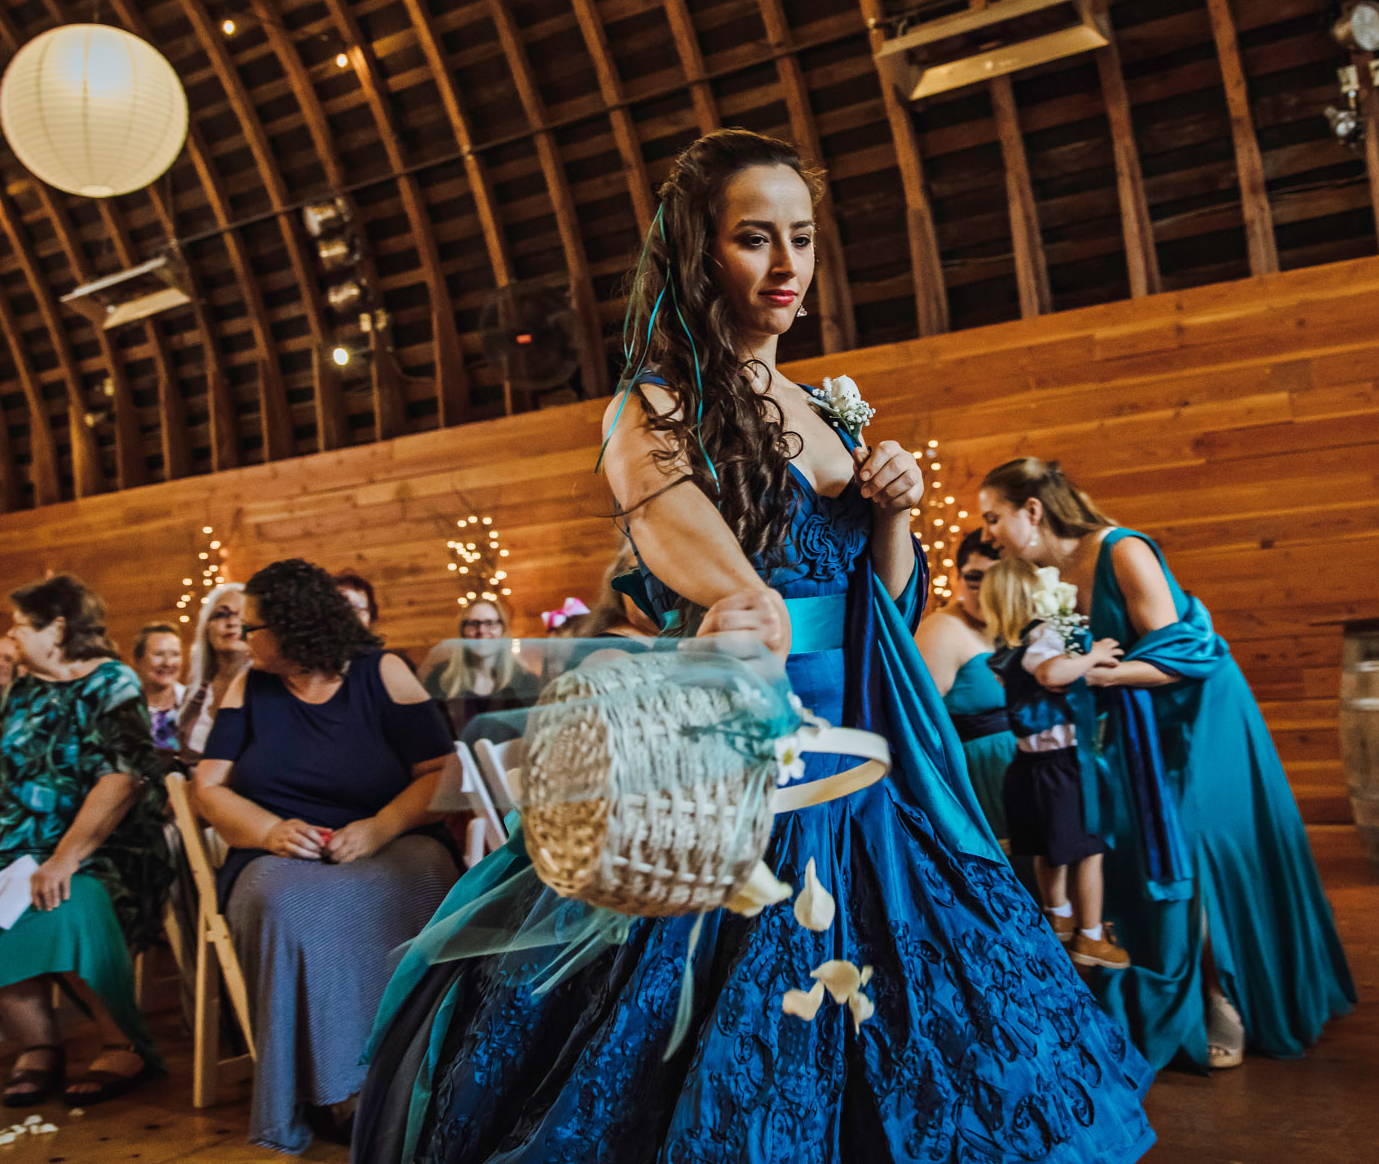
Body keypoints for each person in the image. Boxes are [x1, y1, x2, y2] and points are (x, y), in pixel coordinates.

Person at [353, 129, 1154, 1164]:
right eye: (755, 240)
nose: (787, 268)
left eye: (803, 240)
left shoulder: (829, 410)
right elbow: (678, 530)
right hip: (738, 748)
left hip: (865, 744)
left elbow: (887, 607)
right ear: (701, 252)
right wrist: (740, 598)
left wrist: (896, 512)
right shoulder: (653, 408)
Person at [979, 456, 1355, 1072]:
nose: (990, 534)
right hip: (1131, 720)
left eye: (994, 518)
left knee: (1195, 846)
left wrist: (1093, 675)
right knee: (1138, 847)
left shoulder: (1122, 550)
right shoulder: (1047, 572)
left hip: (1194, 712)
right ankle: (1160, 983)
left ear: (1033, 511)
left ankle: (1223, 996)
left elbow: (1183, 653)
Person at [192, 559, 460, 1152]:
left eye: (253, 625)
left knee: (415, 886)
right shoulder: (249, 685)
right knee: (291, 908)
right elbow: (208, 786)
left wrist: (379, 827)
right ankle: (336, 1091)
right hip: (281, 849)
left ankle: (422, 1070)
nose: (243, 636)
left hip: (392, 840)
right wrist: (266, 830)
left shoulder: (382, 672)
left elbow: (440, 773)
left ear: (295, 626)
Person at [0, 574, 174, 1106]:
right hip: (17, 844)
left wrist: (63, 859)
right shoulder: (23, 689)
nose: (11, 634)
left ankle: (123, 1043)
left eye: (20, 625)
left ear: (57, 628)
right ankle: (39, 1043)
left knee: (65, 902)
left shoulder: (111, 682)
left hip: (102, 847)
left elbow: (123, 777)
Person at [978, 557, 1130, 970]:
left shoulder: (1008, 648)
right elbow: (1053, 674)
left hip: (1031, 767)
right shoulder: (1042, 637)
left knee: (1051, 849)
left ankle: (1058, 913)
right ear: (1033, 596)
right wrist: (1093, 655)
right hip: (1063, 767)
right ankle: (1091, 936)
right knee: (1089, 851)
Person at [912, 529, 1009, 837]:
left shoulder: (1011, 627)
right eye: (974, 578)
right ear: (957, 576)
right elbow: (918, 724)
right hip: (980, 784)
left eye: (996, 581)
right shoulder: (943, 630)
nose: (984, 591)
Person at [421, 598, 539, 738]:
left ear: (502, 630)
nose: (482, 631)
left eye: (490, 624)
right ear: (463, 632)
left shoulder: (525, 681)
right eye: (473, 624)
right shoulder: (441, 678)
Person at [175, 583, 248, 761]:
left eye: (242, 616)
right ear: (206, 629)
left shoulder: (268, 687)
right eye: (222, 615)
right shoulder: (195, 693)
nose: (231, 623)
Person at [130, 624, 185, 754]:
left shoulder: (197, 705)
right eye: (159, 654)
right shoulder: (122, 707)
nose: (168, 663)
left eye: (175, 654)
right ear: (138, 661)